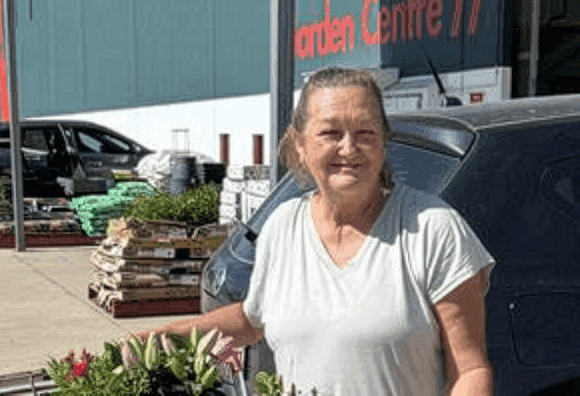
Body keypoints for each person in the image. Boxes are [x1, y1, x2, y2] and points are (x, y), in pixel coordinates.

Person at [123, 67, 496, 395]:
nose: (349, 148)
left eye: (365, 132)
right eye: (330, 132)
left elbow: (471, 370)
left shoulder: (433, 229)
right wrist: (160, 339)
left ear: (383, 142)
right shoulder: (283, 225)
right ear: (300, 145)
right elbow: (254, 320)